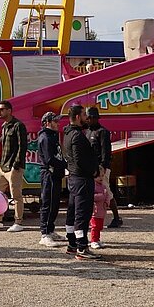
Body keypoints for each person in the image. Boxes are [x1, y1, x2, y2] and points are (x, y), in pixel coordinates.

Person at [63, 104, 100, 260]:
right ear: (78, 117)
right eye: (84, 115)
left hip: (73, 178)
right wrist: (94, 171)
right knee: (82, 214)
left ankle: (72, 244)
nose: (87, 118)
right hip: (81, 179)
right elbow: (80, 160)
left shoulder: (67, 134)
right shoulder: (77, 136)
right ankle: (82, 248)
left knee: (73, 212)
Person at [0, 100, 27, 232]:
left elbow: (22, 146)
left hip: (14, 166)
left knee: (16, 195)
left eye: (1, 109)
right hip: (2, 166)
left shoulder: (18, 125)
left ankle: (18, 222)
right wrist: (0, 164)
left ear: (9, 110)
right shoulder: (4, 126)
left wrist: (16, 165)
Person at [86, 106, 121, 227]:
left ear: (94, 118)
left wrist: (103, 168)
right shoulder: (88, 131)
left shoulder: (103, 132)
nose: (87, 120)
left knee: (107, 191)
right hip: (91, 168)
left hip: (101, 169)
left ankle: (117, 217)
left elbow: (106, 152)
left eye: (89, 118)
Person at [37, 111, 65, 247]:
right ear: (47, 122)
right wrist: (65, 165)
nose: (57, 124)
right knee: (48, 203)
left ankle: (50, 229)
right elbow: (49, 159)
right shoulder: (46, 137)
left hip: (56, 173)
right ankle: (44, 234)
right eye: (55, 121)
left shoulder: (53, 136)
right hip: (49, 173)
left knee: (55, 203)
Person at [89, 168, 111, 249]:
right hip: (95, 211)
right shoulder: (92, 186)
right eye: (98, 176)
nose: (101, 178)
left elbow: (108, 195)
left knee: (99, 226)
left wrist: (107, 202)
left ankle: (97, 239)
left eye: (102, 176)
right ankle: (93, 240)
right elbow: (92, 197)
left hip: (102, 210)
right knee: (95, 226)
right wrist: (102, 196)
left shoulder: (103, 186)